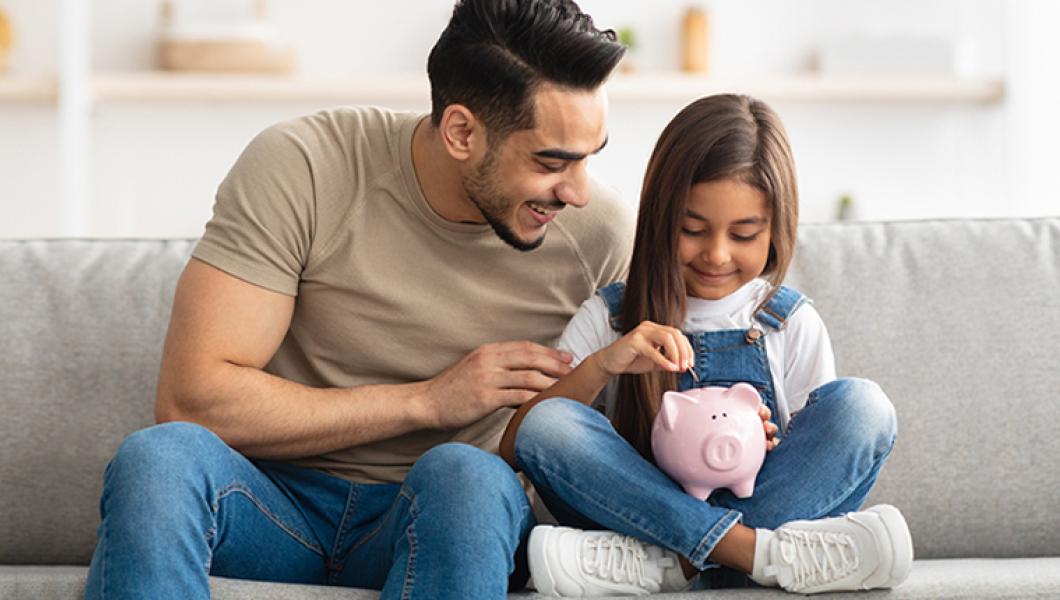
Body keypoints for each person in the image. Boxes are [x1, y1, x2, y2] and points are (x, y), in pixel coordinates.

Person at [83, 1, 633, 599]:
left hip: (444, 516)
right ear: (461, 132)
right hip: (272, 506)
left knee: (467, 475)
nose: (578, 191)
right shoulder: (306, 167)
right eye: (552, 162)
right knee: (159, 460)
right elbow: (194, 401)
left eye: (590, 156)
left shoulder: (600, 235)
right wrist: (428, 401)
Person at [499, 94, 914, 596]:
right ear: (660, 220)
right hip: (634, 513)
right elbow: (520, 444)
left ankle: (670, 566)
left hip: (666, 533)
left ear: (776, 230)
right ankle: (752, 556)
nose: (716, 254)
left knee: (863, 407)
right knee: (551, 422)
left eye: (743, 234)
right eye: (692, 230)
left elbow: (812, 465)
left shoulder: (790, 322)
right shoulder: (611, 317)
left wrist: (770, 441)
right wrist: (604, 366)